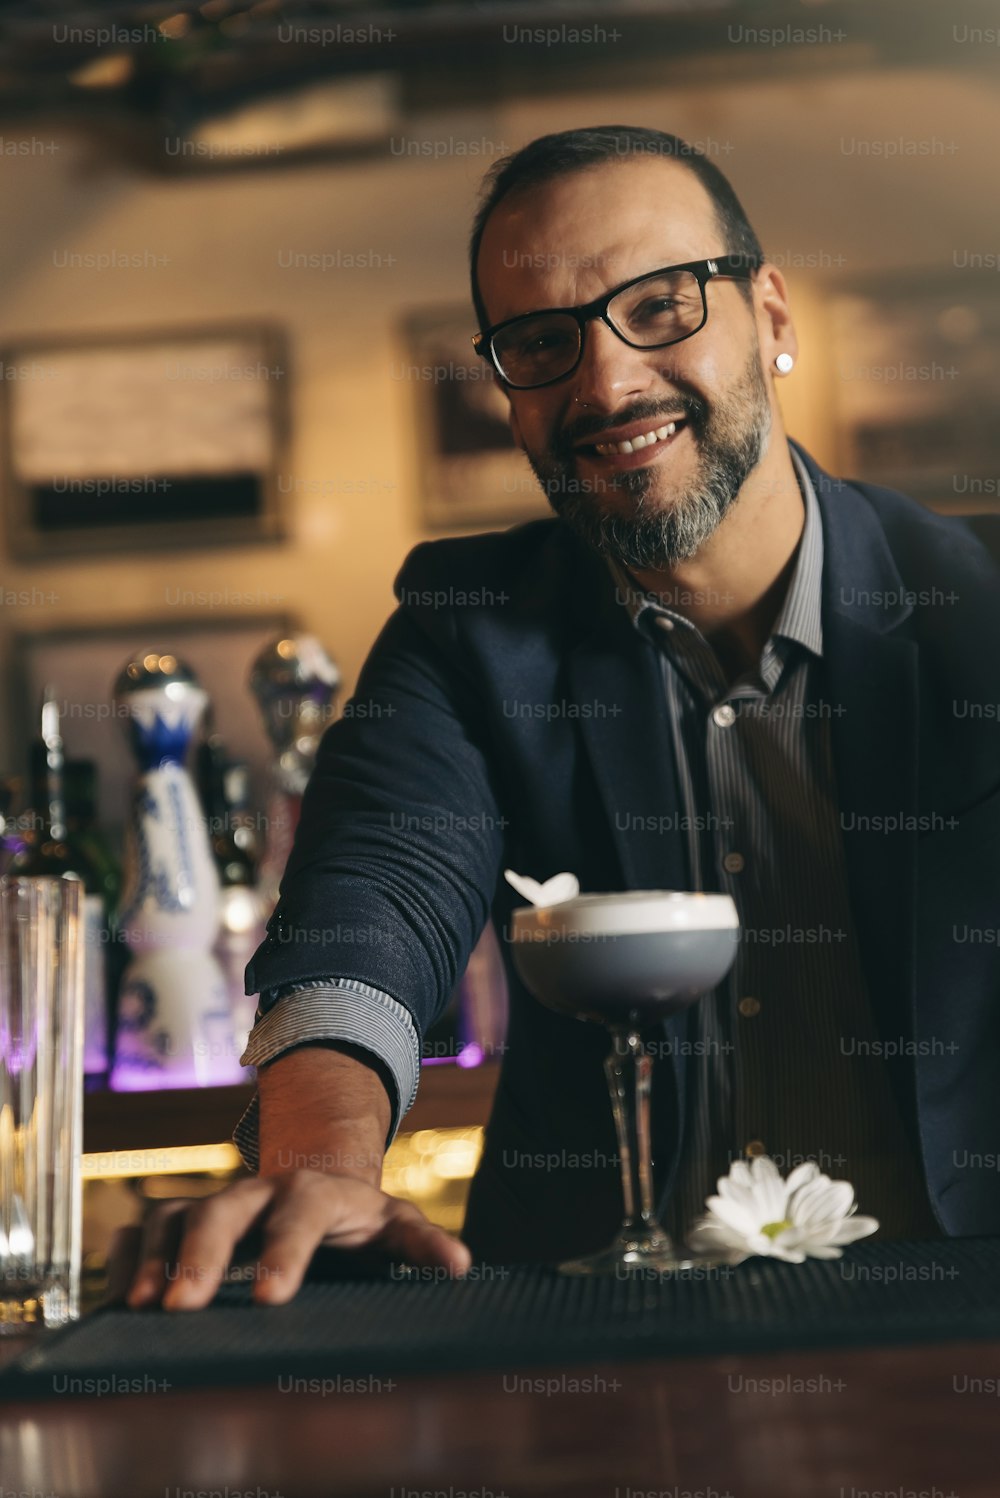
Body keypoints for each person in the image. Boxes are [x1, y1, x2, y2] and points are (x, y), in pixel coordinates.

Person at [124, 125, 1000, 1312]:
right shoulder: (467, 626)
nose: (606, 383)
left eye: (658, 307)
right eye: (541, 343)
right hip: (597, 1348)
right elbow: (369, 904)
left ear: (773, 316)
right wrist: (321, 1163)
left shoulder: (972, 608)